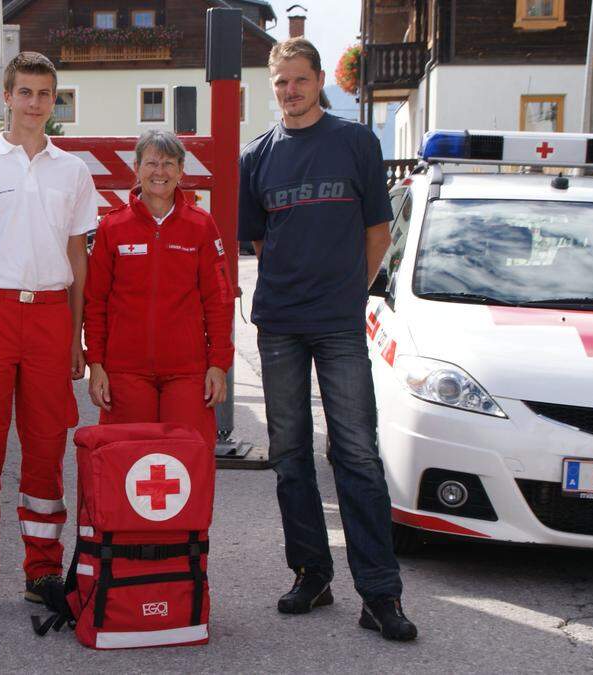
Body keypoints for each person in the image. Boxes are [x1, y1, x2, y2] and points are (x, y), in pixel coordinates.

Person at [238, 38, 418, 641]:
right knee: (290, 457)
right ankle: (311, 575)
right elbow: (263, 244)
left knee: (357, 457)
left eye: (299, 80)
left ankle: (380, 594)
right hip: (281, 325)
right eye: (280, 83)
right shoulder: (256, 157)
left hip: (339, 324)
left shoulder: (356, 143)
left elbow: (377, 231)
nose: (290, 92)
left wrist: (347, 293)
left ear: (319, 81)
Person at [0, 52, 96, 613]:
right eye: (25, 92)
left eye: (44, 94)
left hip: (51, 315)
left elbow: (78, 259)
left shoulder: (73, 171)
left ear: (53, 102)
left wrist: (78, 337)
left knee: (45, 447)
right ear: (6, 96)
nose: (34, 104)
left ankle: (41, 571)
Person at [84, 130, 234, 444]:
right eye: (151, 163)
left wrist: (219, 364)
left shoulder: (201, 225)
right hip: (125, 371)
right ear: (137, 168)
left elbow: (219, 300)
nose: (160, 172)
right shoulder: (112, 227)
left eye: (168, 164)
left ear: (181, 171)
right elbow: (95, 301)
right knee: (126, 463)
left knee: (186, 463)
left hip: (187, 371)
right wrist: (95, 364)